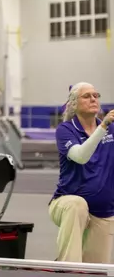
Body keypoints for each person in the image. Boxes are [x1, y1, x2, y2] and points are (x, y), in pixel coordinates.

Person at [49, 82, 114, 264]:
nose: (93, 99)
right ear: (74, 104)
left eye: (96, 95)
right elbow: (80, 156)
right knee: (77, 205)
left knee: (97, 269)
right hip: (66, 203)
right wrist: (104, 127)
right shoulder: (65, 130)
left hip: (104, 211)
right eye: (87, 96)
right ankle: (67, 268)